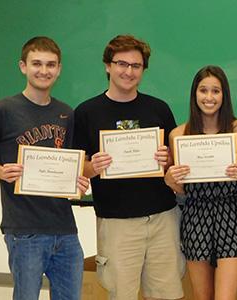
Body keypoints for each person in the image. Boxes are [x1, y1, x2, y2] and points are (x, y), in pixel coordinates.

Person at [73, 34, 184, 300]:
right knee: (121, 294)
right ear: (107, 66)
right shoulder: (87, 112)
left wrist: (166, 158)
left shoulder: (159, 109)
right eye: (122, 64)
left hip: (163, 218)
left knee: (167, 294)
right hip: (116, 221)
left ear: (143, 70)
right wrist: (93, 166)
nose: (128, 71)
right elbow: (77, 168)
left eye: (136, 66)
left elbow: (174, 163)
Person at [0, 36, 89, 300]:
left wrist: (77, 181)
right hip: (25, 231)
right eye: (36, 63)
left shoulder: (66, 113)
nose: (43, 71)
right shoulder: (4, 109)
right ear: (23, 66)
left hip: (65, 229)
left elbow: (68, 164)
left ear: (59, 69)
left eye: (50, 65)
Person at [164, 66, 237, 300]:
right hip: (195, 215)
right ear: (194, 95)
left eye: (216, 91)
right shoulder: (178, 135)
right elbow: (180, 189)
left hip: (230, 213)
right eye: (203, 90)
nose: (209, 97)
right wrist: (170, 181)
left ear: (224, 95)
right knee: (202, 297)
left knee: (225, 298)